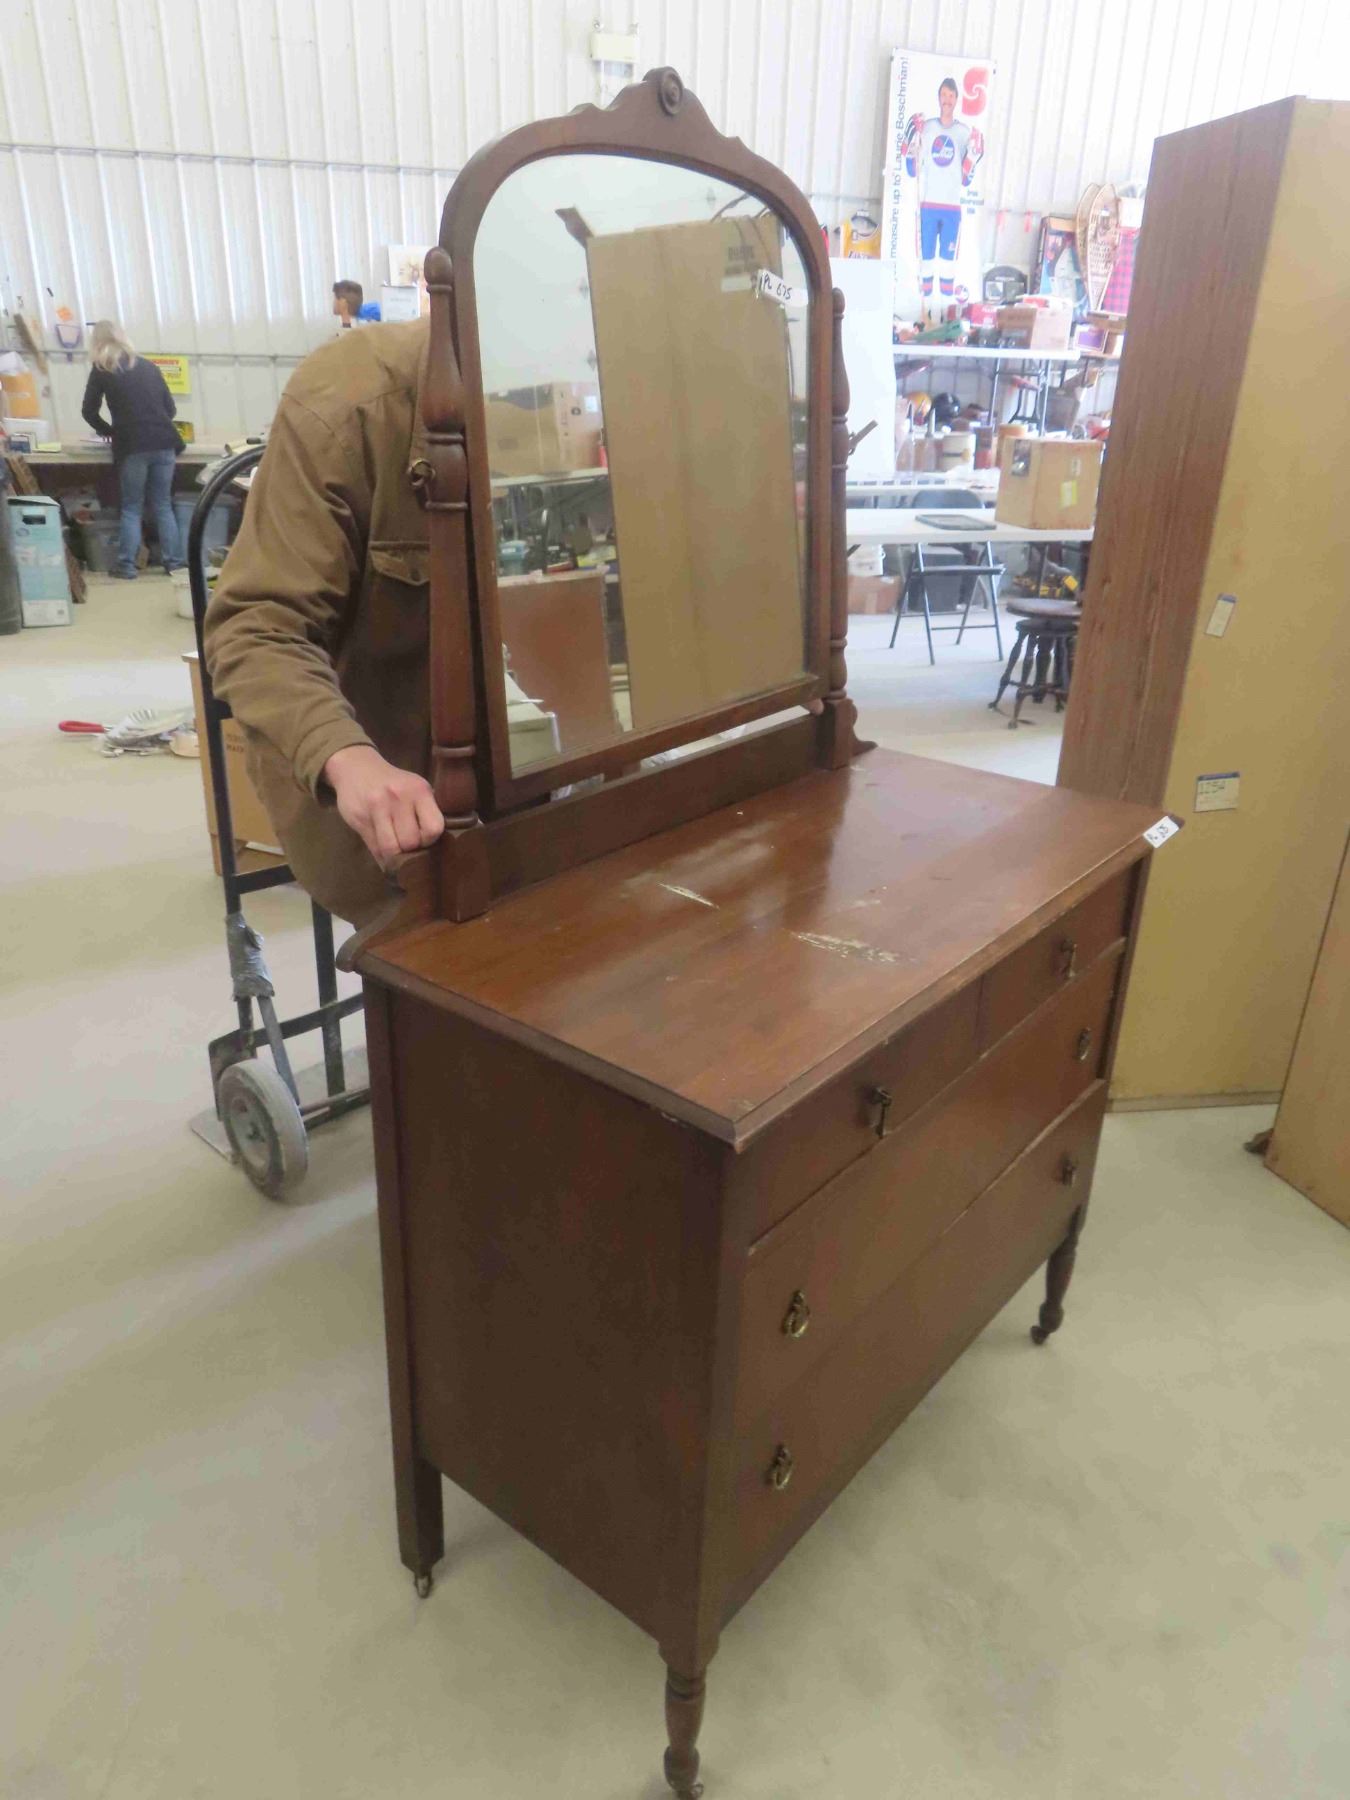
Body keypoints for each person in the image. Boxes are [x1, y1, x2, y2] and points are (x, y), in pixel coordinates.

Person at [203, 317, 444, 926]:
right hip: (385, 787)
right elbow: (256, 628)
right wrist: (348, 757)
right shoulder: (346, 401)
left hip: (527, 779)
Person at [81, 320, 184, 579]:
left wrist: (109, 431)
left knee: (131, 508)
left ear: (97, 342)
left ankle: (126, 566)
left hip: (133, 445)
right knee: (163, 505)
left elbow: (88, 412)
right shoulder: (148, 366)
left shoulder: (102, 368)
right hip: (165, 442)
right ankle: (174, 564)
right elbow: (170, 409)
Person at [901, 77, 984, 319]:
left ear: (956, 99)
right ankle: (925, 316)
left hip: (951, 209)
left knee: (948, 266)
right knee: (926, 261)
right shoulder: (926, 128)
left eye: (951, 96)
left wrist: (974, 156)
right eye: (944, 95)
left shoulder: (964, 133)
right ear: (939, 97)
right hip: (928, 206)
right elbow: (912, 170)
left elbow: (966, 179)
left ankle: (945, 318)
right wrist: (910, 142)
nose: (947, 100)